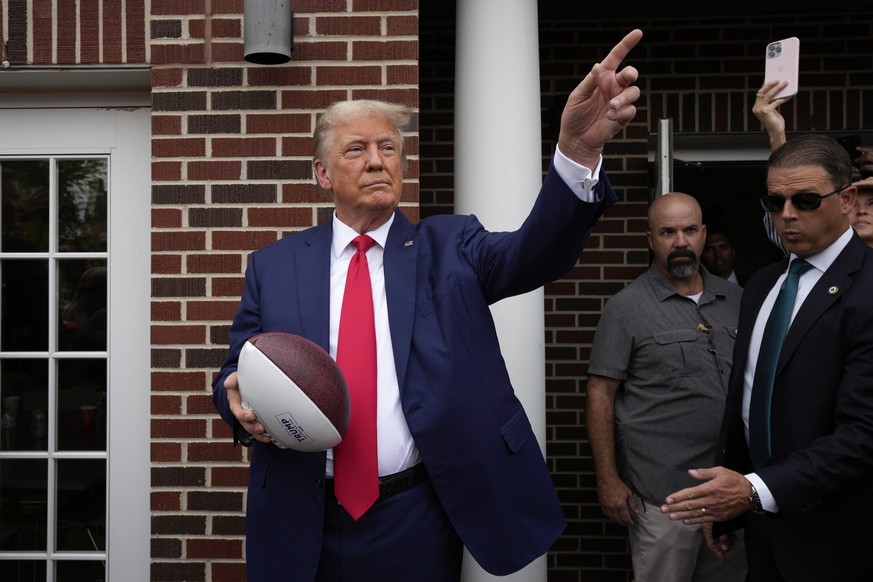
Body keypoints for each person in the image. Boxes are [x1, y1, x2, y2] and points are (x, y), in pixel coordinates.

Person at [212, 29, 644, 582]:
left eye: (388, 148)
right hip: (300, 512)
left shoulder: (451, 247)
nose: (376, 161)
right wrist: (237, 404)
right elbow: (235, 371)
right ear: (322, 174)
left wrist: (578, 154)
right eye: (356, 149)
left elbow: (536, 254)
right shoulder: (273, 266)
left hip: (414, 516)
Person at [660, 134, 873, 581]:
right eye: (775, 202)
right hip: (764, 531)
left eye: (807, 200)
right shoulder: (761, 285)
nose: (788, 215)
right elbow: (749, 400)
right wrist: (730, 506)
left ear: (848, 199)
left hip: (840, 537)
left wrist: (753, 490)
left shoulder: (867, 289)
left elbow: (863, 433)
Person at [586, 192, 746, 581]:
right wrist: (608, 479)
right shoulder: (627, 306)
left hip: (730, 492)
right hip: (664, 497)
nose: (680, 242)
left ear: (704, 234)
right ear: (650, 239)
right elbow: (599, 393)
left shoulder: (738, 300)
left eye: (690, 230)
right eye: (668, 232)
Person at [754, 80, 873, 249]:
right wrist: (776, 133)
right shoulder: (809, 258)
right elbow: (789, 186)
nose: (861, 212)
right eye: (855, 205)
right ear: (844, 203)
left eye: (872, 203)